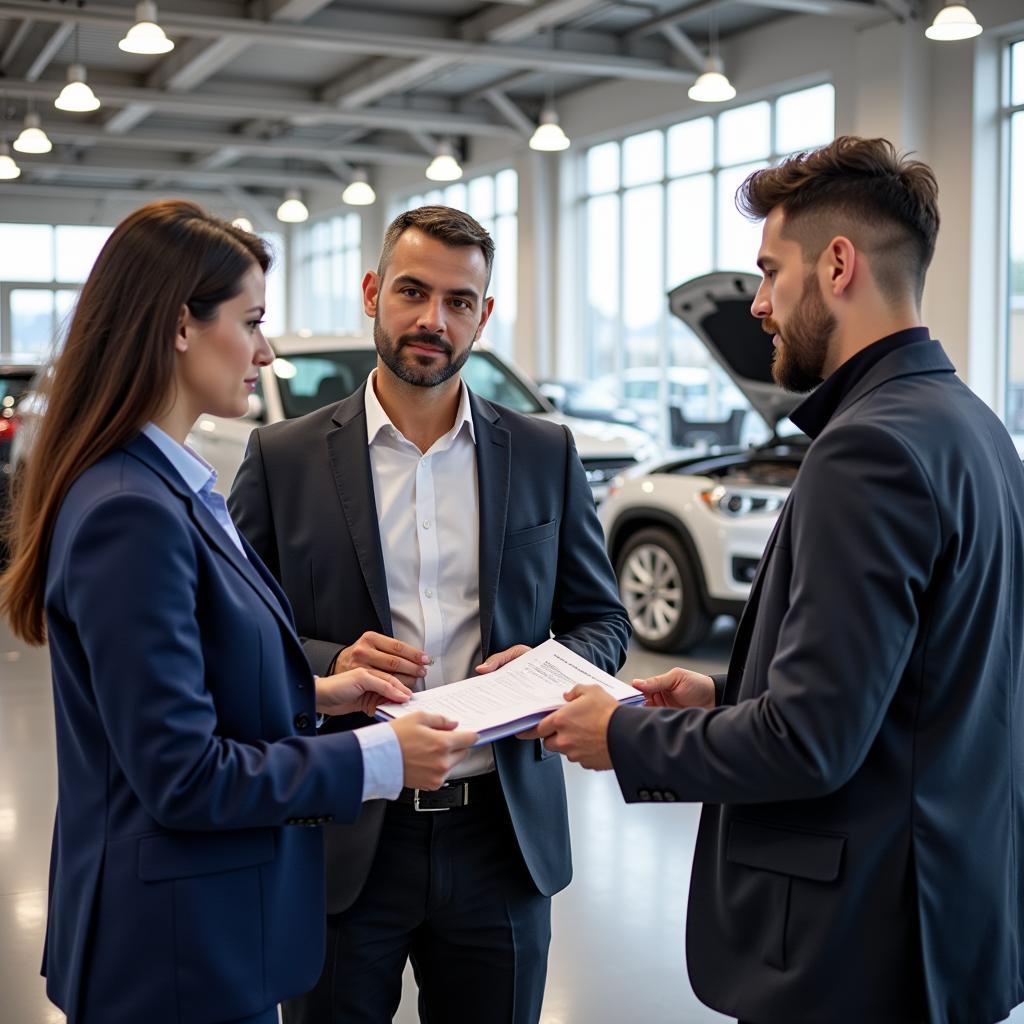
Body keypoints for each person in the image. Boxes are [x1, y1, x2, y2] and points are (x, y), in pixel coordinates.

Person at [528, 137, 1024, 1024]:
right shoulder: (972, 425)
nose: (757, 303)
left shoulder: (866, 450)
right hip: (954, 912)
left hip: (859, 945)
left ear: (837, 265)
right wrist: (724, 693)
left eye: (768, 272)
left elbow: (809, 742)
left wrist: (624, 738)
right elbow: (923, 681)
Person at [0, 200, 477, 1024]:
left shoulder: (167, 484)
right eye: (251, 320)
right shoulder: (131, 509)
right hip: (174, 954)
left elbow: (191, 681)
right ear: (179, 325)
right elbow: (182, 775)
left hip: (202, 935)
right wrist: (378, 757)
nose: (264, 350)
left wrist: (322, 695)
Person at [228, 205, 631, 1024]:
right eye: (412, 291)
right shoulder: (283, 458)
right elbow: (235, 631)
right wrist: (332, 662)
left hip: (502, 838)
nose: (431, 320)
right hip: (345, 828)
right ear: (373, 292)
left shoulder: (545, 452)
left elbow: (603, 621)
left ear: (483, 315)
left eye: (458, 301)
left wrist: (551, 670)